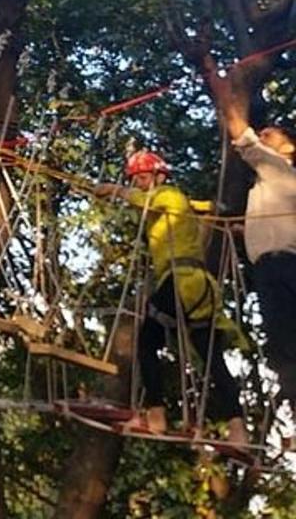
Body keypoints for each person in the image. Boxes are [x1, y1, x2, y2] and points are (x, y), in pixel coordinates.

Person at [94, 150, 249, 445]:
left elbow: (146, 200)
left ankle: (156, 414)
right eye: (135, 179)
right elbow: (198, 205)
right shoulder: (180, 203)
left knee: (147, 341)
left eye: (142, 177)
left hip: (181, 282)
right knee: (212, 359)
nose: (139, 183)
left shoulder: (168, 195)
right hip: (199, 288)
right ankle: (238, 428)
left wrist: (113, 189)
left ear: (159, 176)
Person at [206, 67, 296, 436]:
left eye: (271, 134)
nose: (263, 135)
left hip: (280, 269)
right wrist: (241, 228)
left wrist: (215, 81)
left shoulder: (279, 168)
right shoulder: (276, 186)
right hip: (279, 266)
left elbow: (239, 134)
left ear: (289, 146)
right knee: (284, 348)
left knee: (284, 348)